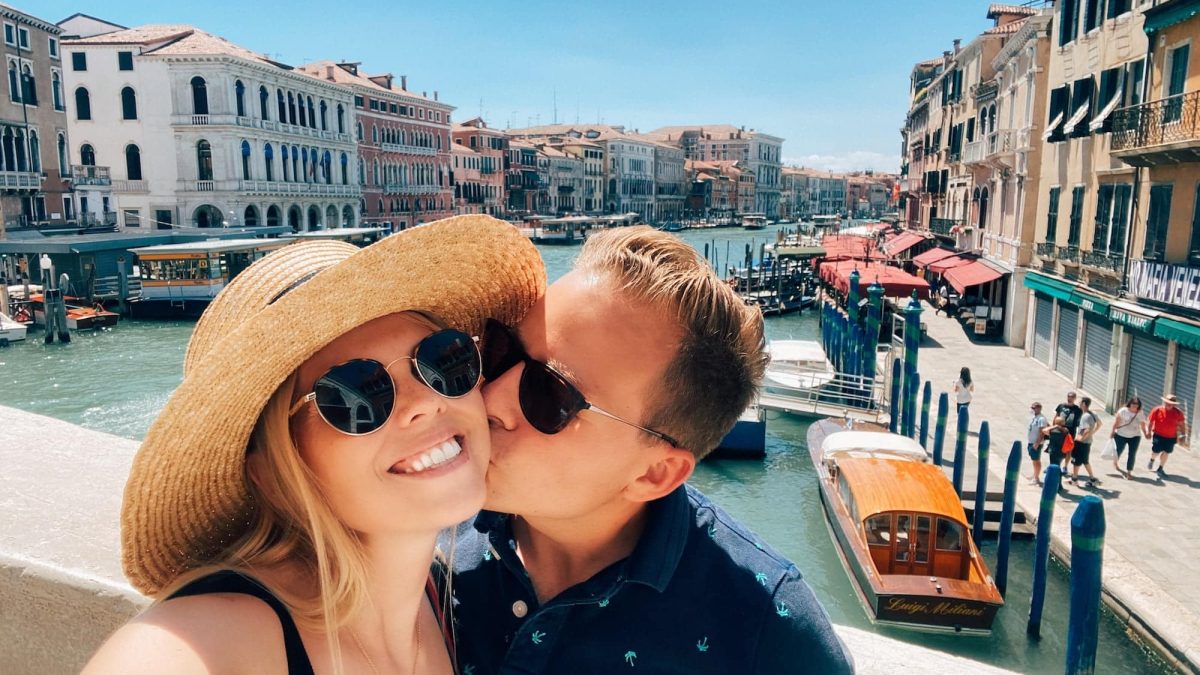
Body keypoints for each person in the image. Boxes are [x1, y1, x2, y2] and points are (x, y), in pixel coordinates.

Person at [82, 216, 545, 675]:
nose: (425, 403)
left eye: (445, 359)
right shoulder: (213, 640)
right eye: (355, 393)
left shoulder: (459, 602)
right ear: (268, 472)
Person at [449, 227, 853, 675]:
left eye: (549, 394)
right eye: (500, 350)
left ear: (655, 473)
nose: (488, 398)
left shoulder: (770, 637)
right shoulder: (418, 527)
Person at [1147, 394, 1190, 479]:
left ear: (1174, 404)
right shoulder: (1157, 410)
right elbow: (1151, 422)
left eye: (1171, 403)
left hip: (1171, 437)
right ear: (1164, 402)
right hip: (1158, 435)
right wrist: (1148, 432)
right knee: (1155, 452)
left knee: (1166, 452)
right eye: (1167, 402)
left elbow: (1182, 424)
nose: (1168, 404)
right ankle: (1152, 460)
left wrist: (1183, 435)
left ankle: (1160, 468)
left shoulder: (1178, 413)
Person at [1110, 396, 1148, 479]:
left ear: (1139, 405)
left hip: (1135, 436)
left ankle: (1129, 472)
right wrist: (1112, 431)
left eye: (1136, 404)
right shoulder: (1123, 411)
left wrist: (1145, 433)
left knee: (1132, 454)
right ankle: (1115, 463)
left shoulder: (1140, 412)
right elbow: (1116, 422)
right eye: (1133, 403)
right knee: (1118, 451)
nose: (1134, 405)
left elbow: (1142, 424)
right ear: (1129, 403)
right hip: (1121, 435)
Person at [1069, 396, 1102, 487]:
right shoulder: (1092, 413)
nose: (1079, 403)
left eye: (1080, 402)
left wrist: (1080, 439)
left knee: (1076, 461)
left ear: (1083, 404)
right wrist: (1093, 433)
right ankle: (1092, 479)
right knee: (1084, 460)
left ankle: (1074, 480)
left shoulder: (1085, 417)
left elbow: (1087, 429)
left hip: (1082, 443)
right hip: (1087, 442)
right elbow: (1099, 424)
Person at [1044, 416, 1072, 493]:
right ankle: (1059, 484)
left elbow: (1045, 430)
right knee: (1058, 466)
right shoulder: (1065, 430)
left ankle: (1058, 485)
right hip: (1062, 452)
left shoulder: (1053, 431)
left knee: (1055, 468)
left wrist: (1054, 426)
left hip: (1053, 452)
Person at [1027, 401, 1049, 486]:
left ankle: (1036, 478)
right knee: (1033, 459)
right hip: (1031, 441)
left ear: (1038, 409)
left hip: (1036, 443)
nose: (1031, 409)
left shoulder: (1041, 419)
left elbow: (1042, 432)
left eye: (1033, 408)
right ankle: (1034, 474)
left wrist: (1037, 443)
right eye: (1031, 407)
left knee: (1036, 460)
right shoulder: (1034, 417)